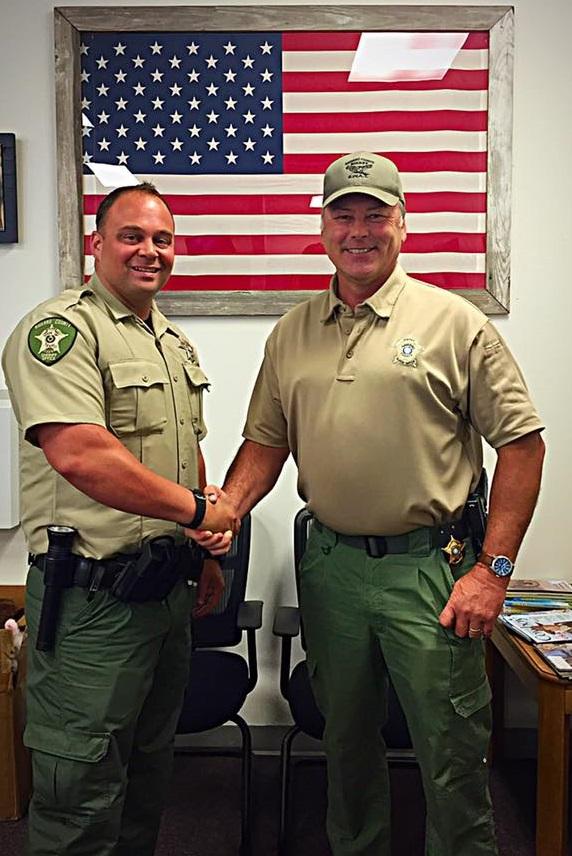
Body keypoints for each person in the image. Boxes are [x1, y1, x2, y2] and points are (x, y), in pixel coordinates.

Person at [202, 153, 546, 855]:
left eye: (374, 214)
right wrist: (225, 512)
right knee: (345, 743)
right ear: (323, 227)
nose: (358, 230)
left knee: (450, 748)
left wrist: (494, 571)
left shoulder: (457, 323)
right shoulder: (292, 330)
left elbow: (523, 447)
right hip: (329, 564)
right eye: (343, 215)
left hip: (430, 569)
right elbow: (265, 443)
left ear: (402, 223)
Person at [1, 182, 237, 856]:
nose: (149, 251)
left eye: (162, 239)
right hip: (90, 607)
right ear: (97, 244)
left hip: (164, 598)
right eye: (132, 236)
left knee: (144, 781)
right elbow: (83, 455)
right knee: (78, 792)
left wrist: (207, 547)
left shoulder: (171, 342)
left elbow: (184, 452)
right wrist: (199, 508)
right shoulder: (61, 331)